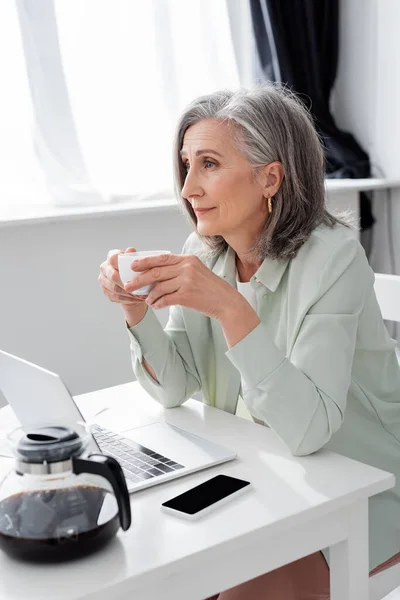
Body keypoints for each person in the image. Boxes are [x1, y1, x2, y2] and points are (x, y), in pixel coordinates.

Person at [98, 85, 400, 599]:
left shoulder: (336, 259)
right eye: (186, 164)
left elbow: (309, 431)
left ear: (270, 178)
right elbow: (176, 387)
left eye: (209, 163)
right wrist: (135, 311)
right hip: (263, 478)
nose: (189, 187)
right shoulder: (206, 250)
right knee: (159, 572)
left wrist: (229, 307)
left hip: (360, 485)